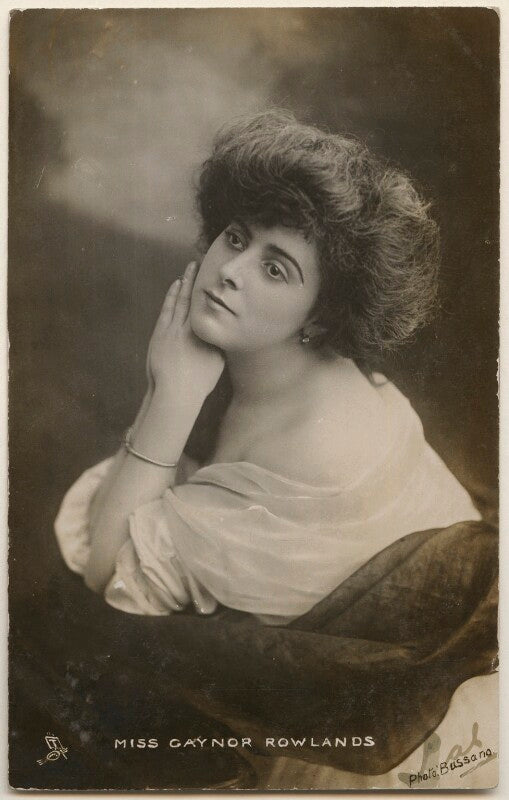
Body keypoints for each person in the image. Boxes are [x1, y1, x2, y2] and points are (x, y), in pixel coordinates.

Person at [55, 108, 480, 626]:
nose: (231, 271)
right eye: (237, 238)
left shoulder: (316, 449)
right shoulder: (259, 363)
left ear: (321, 316)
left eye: (275, 269)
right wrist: (164, 391)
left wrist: (171, 398)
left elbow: (106, 574)